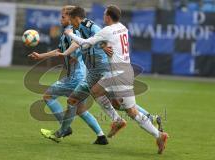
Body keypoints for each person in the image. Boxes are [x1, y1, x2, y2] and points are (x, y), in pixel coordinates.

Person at [65, 5, 168, 154]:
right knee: (96, 91)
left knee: (132, 112)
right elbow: (108, 41)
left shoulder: (107, 30)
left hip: (119, 75)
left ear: (108, 17)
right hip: (118, 72)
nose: (103, 17)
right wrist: (104, 44)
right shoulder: (122, 27)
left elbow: (86, 43)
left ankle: (159, 135)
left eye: (105, 15)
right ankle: (117, 120)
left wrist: (70, 34)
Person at [28, 5, 108, 145]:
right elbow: (59, 49)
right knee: (80, 109)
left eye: (64, 16)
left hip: (75, 76)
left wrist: (69, 53)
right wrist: (41, 56)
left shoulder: (73, 31)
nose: (61, 19)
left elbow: (76, 44)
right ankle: (101, 136)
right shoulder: (69, 31)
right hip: (81, 74)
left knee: (48, 96)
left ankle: (64, 128)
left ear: (71, 18)